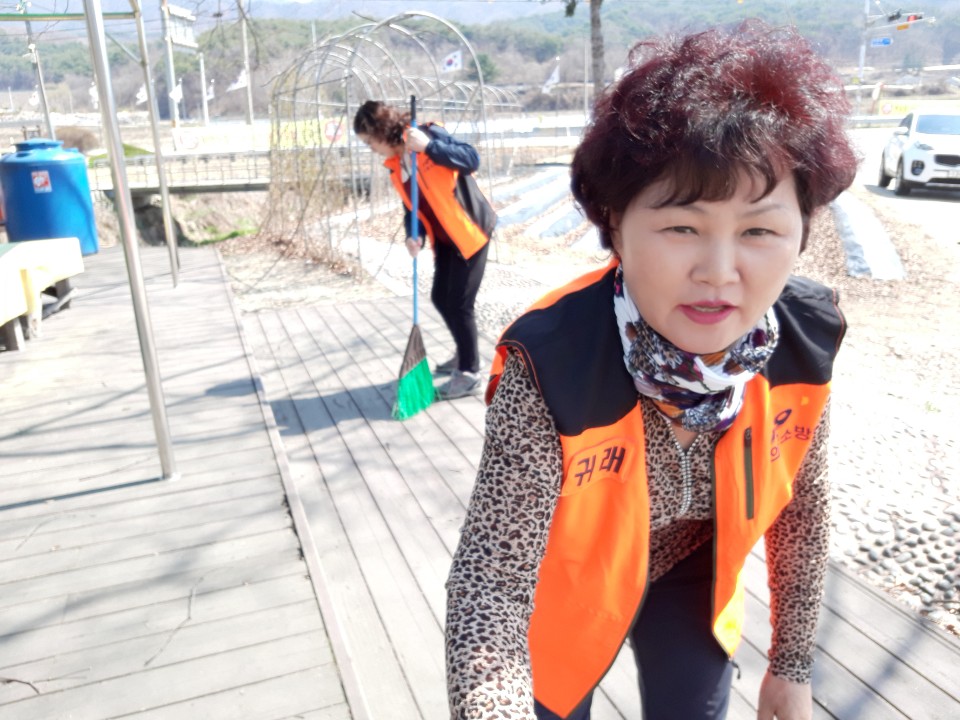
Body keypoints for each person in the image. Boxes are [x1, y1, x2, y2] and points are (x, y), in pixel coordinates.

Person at [445, 20, 858, 720]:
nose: (719, 273)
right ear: (614, 222)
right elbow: (493, 579)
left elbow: (802, 506)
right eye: (681, 227)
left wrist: (791, 664)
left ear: (802, 233)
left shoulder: (801, 339)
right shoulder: (552, 364)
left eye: (759, 230)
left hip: (694, 569)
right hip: (567, 580)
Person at [353, 100, 497, 399]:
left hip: (469, 231)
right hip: (444, 239)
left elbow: (471, 159)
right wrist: (413, 234)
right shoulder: (397, 165)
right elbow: (412, 207)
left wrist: (430, 147)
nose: (371, 149)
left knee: (459, 304)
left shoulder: (428, 134)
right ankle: (465, 353)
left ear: (380, 132)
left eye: (369, 142)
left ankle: (470, 372)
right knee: (441, 298)